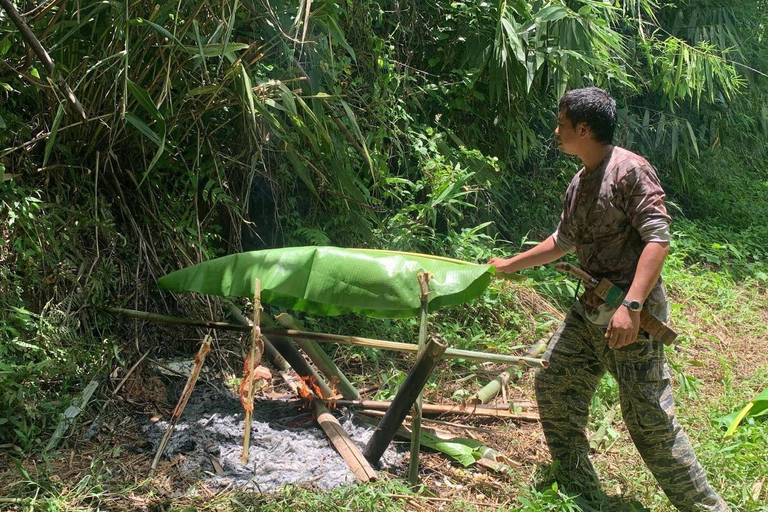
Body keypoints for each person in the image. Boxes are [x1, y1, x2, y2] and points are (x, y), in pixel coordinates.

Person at [488, 87, 728, 511]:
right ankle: (579, 486)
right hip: (592, 309)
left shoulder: (630, 171)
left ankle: (706, 508)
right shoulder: (580, 182)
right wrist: (511, 264)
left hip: (631, 316)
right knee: (554, 382)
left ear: (583, 128)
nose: (557, 131)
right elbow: (563, 241)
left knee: (650, 424)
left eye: (562, 123)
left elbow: (658, 238)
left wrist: (632, 307)